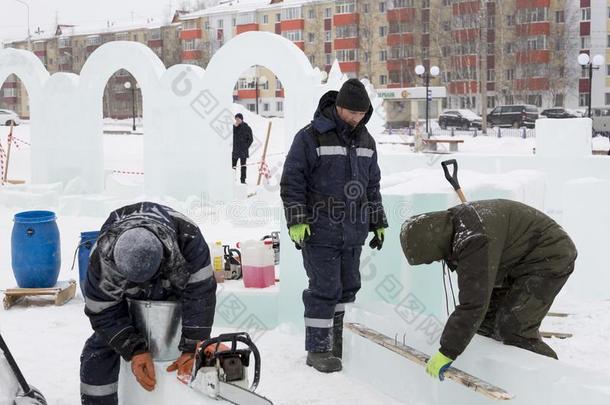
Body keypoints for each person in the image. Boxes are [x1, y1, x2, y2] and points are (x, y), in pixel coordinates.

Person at [400, 199, 577, 380]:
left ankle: (554, 381)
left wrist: (447, 351)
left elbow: (473, 304)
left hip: (549, 256)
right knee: (485, 325)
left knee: (513, 328)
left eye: (430, 258)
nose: (435, 261)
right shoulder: (452, 227)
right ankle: (501, 378)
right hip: (515, 261)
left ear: (432, 244)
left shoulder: (473, 239)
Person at [280, 78, 388, 373]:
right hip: (320, 230)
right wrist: (297, 219)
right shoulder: (311, 137)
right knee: (324, 289)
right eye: (352, 113)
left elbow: (372, 185)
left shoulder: (366, 140)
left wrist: (377, 220)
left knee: (348, 288)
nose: (357, 119)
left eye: (362, 114)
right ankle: (318, 349)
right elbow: (292, 180)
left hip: (353, 231)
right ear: (339, 107)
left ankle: (337, 343)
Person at [80, 202, 217, 404]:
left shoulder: (188, 239)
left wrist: (191, 347)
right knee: (98, 352)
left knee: (202, 356)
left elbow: (200, 293)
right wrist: (134, 350)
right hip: (128, 305)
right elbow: (102, 311)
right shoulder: (102, 258)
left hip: (174, 299)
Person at [232, 113, 254, 184]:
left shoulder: (247, 128)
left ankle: (243, 180)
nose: (237, 120)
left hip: (243, 151)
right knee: (233, 166)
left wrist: (245, 147)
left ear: (241, 119)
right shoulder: (233, 127)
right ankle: (232, 180)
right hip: (235, 150)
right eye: (236, 119)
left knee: (243, 166)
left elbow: (250, 139)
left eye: (238, 119)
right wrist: (234, 127)